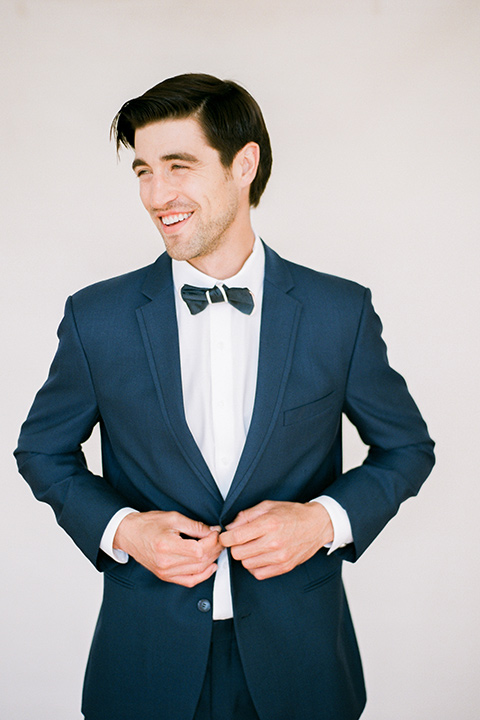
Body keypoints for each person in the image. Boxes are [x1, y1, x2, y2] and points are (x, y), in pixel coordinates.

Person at [15, 73, 435, 720]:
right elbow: (43, 450)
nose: (158, 195)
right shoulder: (95, 317)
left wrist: (324, 519)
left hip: (303, 663)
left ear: (245, 164)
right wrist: (124, 529)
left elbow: (406, 447)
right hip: (144, 661)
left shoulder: (338, 312)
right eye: (144, 171)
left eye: (178, 166)